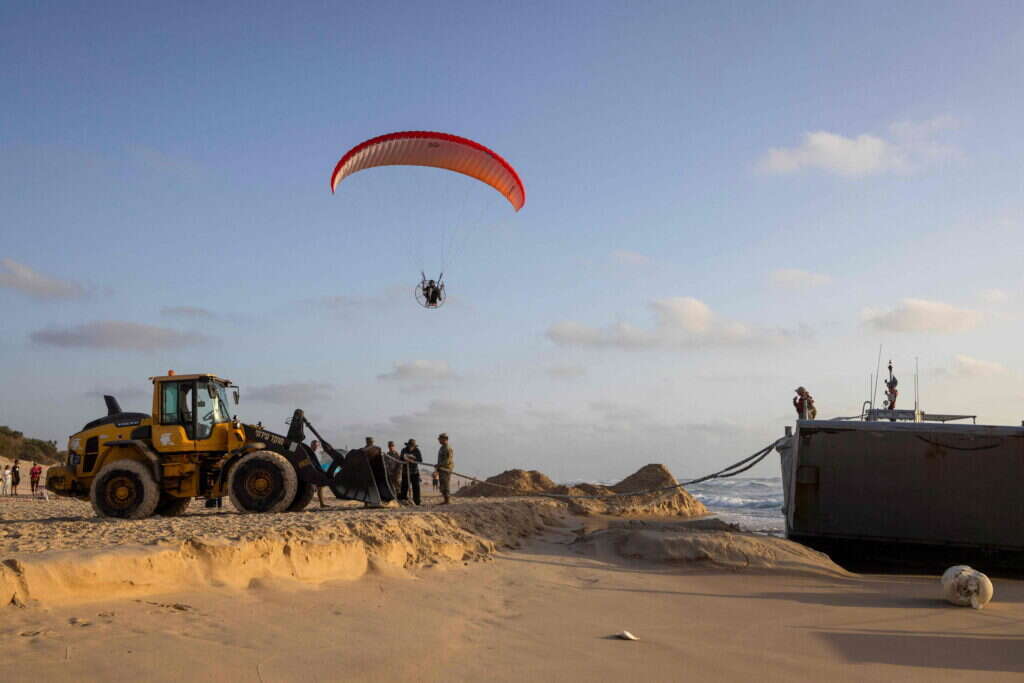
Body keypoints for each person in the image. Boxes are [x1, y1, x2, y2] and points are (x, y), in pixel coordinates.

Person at [399, 439, 423, 505]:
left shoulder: (417, 450)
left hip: (414, 471)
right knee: (404, 486)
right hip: (405, 472)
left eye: (412, 446)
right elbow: (400, 458)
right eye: (410, 446)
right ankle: (403, 500)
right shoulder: (404, 450)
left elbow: (420, 460)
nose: (411, 447)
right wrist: (405, 458)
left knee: (416, 486)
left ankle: (417, 501)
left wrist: (413, 458)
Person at [310, 439, 331, 509]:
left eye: (316, 446)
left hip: (316, 472)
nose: (316, 447)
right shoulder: (309, 452)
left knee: (320, 488)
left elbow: (316, 464)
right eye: (314, 445)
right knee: (319, 487)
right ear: (311, 445)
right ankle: (321, 504)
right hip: (312, 472)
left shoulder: (313, 453)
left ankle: (322, 504)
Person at [435, 433, 454, 505]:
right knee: (442, 484)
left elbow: (448, 460)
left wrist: (439, 465)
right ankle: (445, 500)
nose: (439, 440)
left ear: (445, 439)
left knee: (446, 484)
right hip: (441, 469)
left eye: (440, 439)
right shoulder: (442, 448)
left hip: (446, 469)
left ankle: (447, 500)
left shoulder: (448, 448)